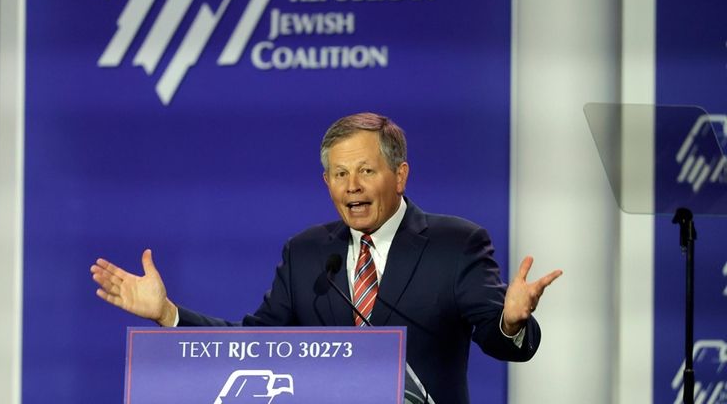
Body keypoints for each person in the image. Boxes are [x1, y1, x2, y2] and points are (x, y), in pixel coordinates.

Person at [90, 112, 562, 404]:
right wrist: (169, 315)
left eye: (364, 171)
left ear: (400, 176)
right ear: (326, 183)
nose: (351, 185)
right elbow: (256, 344)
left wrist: (512, 321)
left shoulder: (454, 243)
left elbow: (496, 338)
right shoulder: (308, 254)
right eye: (338, 174)